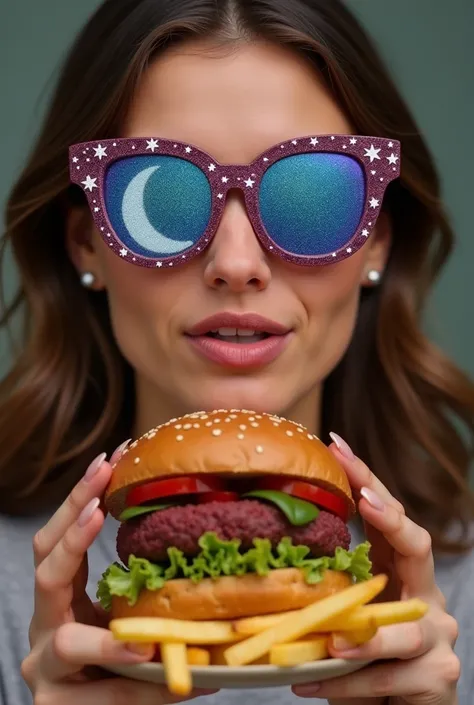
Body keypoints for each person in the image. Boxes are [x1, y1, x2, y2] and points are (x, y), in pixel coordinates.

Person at [0, 0, 473, 703]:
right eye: (158, 200)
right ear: (85, 245)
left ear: (378, 241)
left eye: (311, 194)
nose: (237, 262)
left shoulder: (458, 590)